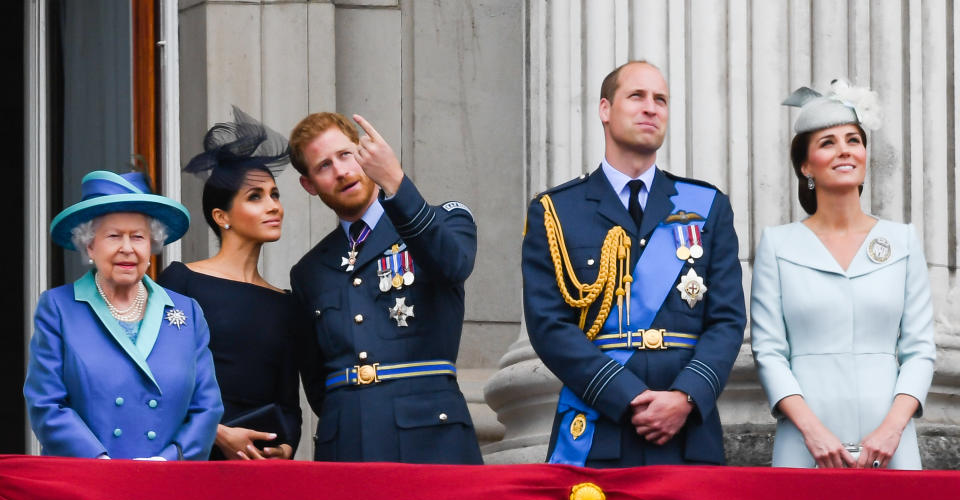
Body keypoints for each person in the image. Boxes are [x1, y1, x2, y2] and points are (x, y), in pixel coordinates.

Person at [522, 60, 746, 467]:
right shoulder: (556, 210)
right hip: (599, 424)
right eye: (637, 96)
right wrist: (624, 394)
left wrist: (686, 396)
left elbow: (728, 320)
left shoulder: (706, 206)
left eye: (660, 99)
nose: (651, 108)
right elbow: (548, 324)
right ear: (605, 109)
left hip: (687, 432)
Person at [751, 81, 935, 470]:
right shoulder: (778, 244)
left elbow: (919, 350)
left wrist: (891, 430)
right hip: (805, 443)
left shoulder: (902, 240)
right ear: (806, 165)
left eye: (853, 139)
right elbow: (769, 352)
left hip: (891, 444)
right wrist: (812, 432)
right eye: (828, 142)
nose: (845, 150)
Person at [287, 111, 482, 464]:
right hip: (346, 444)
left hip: (430, 440)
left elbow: (453, 265)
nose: (342, 171)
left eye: (346, 155)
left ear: (365, 152)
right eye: (324, 166)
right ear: (309, 185)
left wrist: (396, 181)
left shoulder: (444, 219)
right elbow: (317, 382)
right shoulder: (309, 271)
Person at [24, 170, 223, 459]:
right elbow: (46, 403)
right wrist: (102, 463)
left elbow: (207, 406)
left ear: (151, 245)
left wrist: (168, 459)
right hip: (88, 481)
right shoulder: (58, 308)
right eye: (114, 236)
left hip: (167, 481)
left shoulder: (186, 312)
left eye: (138, 237)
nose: (127, 249)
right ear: (90, 245)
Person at [159, 107, 302, 461]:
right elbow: (157, 381)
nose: (273, 206)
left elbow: (288, 404)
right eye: (255, 197)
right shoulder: (182, 281)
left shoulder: (285, 302)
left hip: (258, 469)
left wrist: (284, 447)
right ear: (222, 217)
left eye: (275, 194)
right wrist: (217, 433)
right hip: (193, 459)